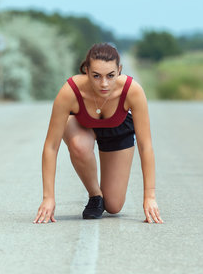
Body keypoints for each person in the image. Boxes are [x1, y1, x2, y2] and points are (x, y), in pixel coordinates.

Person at [33, 43, 163, 224]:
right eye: (96, 76)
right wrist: (48, 197)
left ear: (119, 70)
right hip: (80, 125)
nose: (104, 83)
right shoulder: (70, 92)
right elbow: (51, 146)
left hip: (117, 131)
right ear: (86, 70)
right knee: (79, 144)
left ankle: (105, 199)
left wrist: (150, 196)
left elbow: (145, 145)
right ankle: (95, 196)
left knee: (114, 206)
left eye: (110, 76)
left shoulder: (132, 91)